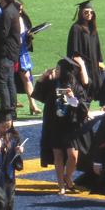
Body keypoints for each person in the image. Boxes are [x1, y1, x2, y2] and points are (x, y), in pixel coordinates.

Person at [35, 56, 89, 195]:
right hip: (55, 124)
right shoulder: (53, 84)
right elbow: (39, 95)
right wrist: (43, 77)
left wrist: (72, 98)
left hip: (71, 125)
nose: (56, 71)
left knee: (73, 156)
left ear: (65, 71)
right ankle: (61, 185)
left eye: (59, 69)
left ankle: (67, 176)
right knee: (58, 155)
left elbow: (84, 106)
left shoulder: (76, 86)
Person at [67, 0, 103, 101]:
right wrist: (79, 65)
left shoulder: (92, 28)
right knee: (84, 89)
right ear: (81, 13)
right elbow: (73, 49)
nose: (89, 14)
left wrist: (100, 61)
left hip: (94, 64)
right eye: (86, 12)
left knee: (94, 89)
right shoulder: (76, 28)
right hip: (83, 65)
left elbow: (97, 46)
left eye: (91, 12)